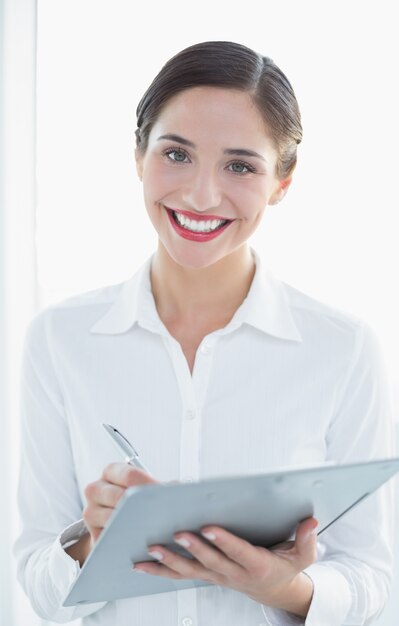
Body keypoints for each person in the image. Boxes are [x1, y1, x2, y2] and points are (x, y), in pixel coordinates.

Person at [14, 41, 395, 626]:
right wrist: (93, 543)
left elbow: (375, 580)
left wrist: (285, 589)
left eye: (240, 166)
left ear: (282, 181)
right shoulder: (61, 340)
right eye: (177, 154)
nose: (200, 195)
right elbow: (37, 582)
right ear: (138, 155)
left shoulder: (342, 350)